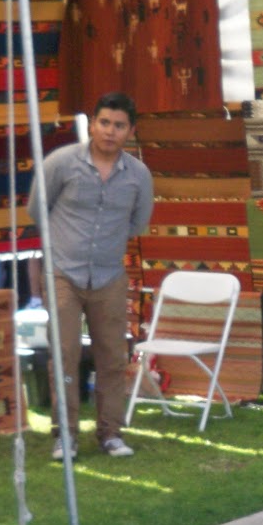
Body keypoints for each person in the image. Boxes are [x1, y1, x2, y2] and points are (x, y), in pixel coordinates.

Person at [31, 91, 154, 460]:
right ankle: (64, 435)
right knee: (65, 355)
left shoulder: (138, 175)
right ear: (91, 124)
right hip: (63, 274)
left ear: (130, 131)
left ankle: (110, 433)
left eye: (119, 125)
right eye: (104, 123)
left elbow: (138, 222)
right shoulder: (61, 163)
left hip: (108, 276)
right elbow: (38, 209)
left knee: (112, 357)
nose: (110, 132)